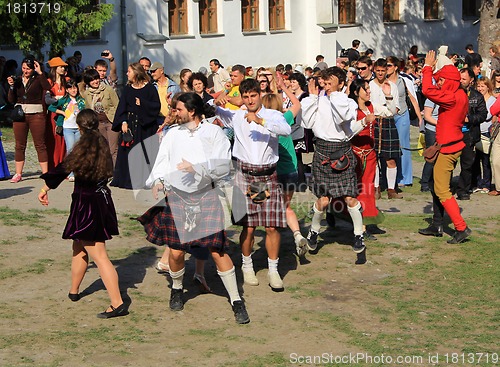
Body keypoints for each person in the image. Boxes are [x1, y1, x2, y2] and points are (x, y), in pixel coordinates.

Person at [137, 92, 250, 324]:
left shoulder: (214, 133)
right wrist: (157, 180)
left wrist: (196, 169)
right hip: (177, 197)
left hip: (206, 195)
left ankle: (237, 300)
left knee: (218, 251)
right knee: (176, 252)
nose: (174, 114)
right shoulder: (171, 135)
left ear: (192, 111)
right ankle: (177, 288)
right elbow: (162, 161)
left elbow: (222, 167)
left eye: (178, 110)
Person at [38, 109, 127, 319]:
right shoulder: (102, 142)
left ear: (79, 127)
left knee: (99, 255)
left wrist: (44, 189)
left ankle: (117, 303)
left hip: (88, 204)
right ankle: (74, 290)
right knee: (78, 246)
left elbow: (62, 169)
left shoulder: (83, 147)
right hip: (99, 200)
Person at [214, 78, 291, 291]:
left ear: (259, 94)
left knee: (272, 227)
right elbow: (213, 110)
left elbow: (286, 130)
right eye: (246, 97)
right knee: (248, 227)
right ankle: (247, 266)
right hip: (245, 173)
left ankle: (273, 270)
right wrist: (219, 98)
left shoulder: (272, 115)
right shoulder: (237, 116)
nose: (249, 100)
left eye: (252, 96)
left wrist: (259, 121)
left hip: (268, 174)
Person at [301, 67, 366, 256]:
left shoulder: (347, 102)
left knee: (350, 198)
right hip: (322, 151)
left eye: (330, 82)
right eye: (325, 82)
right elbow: (307, 122)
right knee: (323, 200)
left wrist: (336, 94)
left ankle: (358, 235)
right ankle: (314, 232)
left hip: (342, 151)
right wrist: (313, 98)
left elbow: (342, 118)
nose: (326, 85)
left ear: (341, 83)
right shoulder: (317, 99)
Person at [419, 51, 472, 244]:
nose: (438, 83)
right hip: (451, 145)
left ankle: (460, 227)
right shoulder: (459, 94)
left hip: (447, 149)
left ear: (448, 80)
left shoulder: (451, 98)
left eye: (441, 80)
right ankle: (437, 223)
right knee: (436, 186)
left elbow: (427, 90)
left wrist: (427, 68)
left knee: (442, 190)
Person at [262, 75, 308, 257]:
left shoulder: (261, 124)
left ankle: (272, 240)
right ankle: (297, 235)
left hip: (270, 172)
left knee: (268, 208)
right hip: (290, 171)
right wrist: (283, 88)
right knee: (286, 207)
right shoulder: (284, 118)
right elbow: (297, 104)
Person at [348, 79, 395, 239]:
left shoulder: (371, 106)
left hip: (370, 154)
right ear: (356, 92)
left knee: (368, 188)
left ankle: (368, 221)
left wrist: (388, 96)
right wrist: (363, 122)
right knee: (359, 188)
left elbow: (390, 112)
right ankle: (360, 225)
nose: (369, 91)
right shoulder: (351, 109)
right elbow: (348, 132)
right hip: (355, 154)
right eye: (365, 89)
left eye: (369, 88)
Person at [110, 62, 161, 189]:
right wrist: (123, 121)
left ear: (136, 73)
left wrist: (142, 103)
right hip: (130, 126)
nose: (127, 74)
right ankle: (127, 180)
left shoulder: (149, 88)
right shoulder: (127, 89)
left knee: (144, 153)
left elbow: (156, 106)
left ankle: (143, 180)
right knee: (129, 153)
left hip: (145, 127)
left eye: (129, 71)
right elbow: (122, 108)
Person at [7, 56, 51, 182]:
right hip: (20, 114)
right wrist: (11, 86)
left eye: (28, 69)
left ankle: (45, 173)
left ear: (33, 69)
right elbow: (11, 99)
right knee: (19, 145)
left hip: (36, 114)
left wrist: (40, 72)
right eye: (23, 68)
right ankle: (18, 173)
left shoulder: (38, 79)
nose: (25, 71)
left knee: (40, 144)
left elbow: (47, 87)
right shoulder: (18, 80)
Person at [386, 56, 422, 187]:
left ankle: (404, 178)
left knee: (404, 146)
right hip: (388, 116)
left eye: (389, 65)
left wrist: (420, 117)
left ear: (395, 67)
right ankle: (389, 177)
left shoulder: (404, 81)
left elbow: (412, 99)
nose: (386, 68)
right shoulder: (382, 81)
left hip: (402, 115)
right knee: (389, 148)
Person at [369, 58, 402, 199]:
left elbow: (394, 110)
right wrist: (382, 109)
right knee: (374, 157)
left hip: (388, 122)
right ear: (374, 70)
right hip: (374, 121)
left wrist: (388, 97)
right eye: (378, 71)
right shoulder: (370, 85)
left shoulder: (392, 86)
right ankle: (376, 188)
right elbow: (369, 106)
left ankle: (391, 189)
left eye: (383, 71)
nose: (381, 73)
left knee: (391, 158)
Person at [455, 68, 487, 200]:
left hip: (469, 134)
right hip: (453, 133)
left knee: (467, 164)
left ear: (471, 80)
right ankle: (446, 187)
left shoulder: (476, 96)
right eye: (460, 78)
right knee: (448, 162)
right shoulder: (453, 93)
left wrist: (469, 119)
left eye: (464, 79)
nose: (461, 81)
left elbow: (482, 114)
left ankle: (463, 190)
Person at [47, 79, 86, 180]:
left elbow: (85, 110)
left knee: (78, 149)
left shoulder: (81, 100)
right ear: (67, 90)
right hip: (68, 127)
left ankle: (78, 171)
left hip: (78, 128)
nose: (73, 90)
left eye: (75, 88)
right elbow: (51, 107)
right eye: (71, 88)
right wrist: (62, 112)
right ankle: (70, 172)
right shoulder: (64, 100)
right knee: (70, 149)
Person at [82, 69, 120, 166]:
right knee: (104, 149)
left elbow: (117, 105)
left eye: (96, 78)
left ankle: (116, 173)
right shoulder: (87, 93)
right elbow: (88, 109)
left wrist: (119, 120)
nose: (95, 81)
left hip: (111, 122)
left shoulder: (108, 89)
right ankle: (106, 172)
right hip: (98, 124)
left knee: (113, 149)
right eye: (92, 80)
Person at [472, 77, 497, 193]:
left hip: (486, 132)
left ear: (488, 87)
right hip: (476, 131)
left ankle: (487, 184)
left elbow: (489, 116)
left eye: (483, 86)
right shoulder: (475, 98)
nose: (480, 88)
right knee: (475, 160)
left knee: (486, 161)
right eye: (479, 86)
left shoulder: (492, 100)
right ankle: (478, 183)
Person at [45, 56, 69, 171]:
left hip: (66, 113)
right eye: (61, 67)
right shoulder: (49, 82)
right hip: (53, 113)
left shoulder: (67, 80)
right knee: (53, 139)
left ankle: (63, 165)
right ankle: (53, 166)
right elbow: (47, 99)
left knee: (64, 139)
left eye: (64, 67)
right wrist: (57, 101)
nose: (63, 69)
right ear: (55, 68)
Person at [150, 62, 181, 126]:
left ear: (161, 71)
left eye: (154, 71)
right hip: (156, 120)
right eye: (151, 72)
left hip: (171, 120)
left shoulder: (174, 86)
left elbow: (180, 104)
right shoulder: (152, 87)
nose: (152, 74)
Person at [420, 98, 440, 192]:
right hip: (432, 130)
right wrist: (441, 124)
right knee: (431, 157)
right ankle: (425, 183)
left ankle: (438, 182)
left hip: (445, 131)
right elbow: (427, 117)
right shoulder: (431, 99)